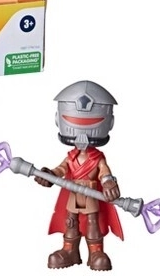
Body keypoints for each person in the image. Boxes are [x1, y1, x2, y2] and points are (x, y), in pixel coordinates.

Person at [35, 80, 123, 271]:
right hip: (73, 194)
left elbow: (104, 173)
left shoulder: (98, 158)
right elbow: (61, 170)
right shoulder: (70, 157)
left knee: (93, 222)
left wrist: (108, 183)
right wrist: (49, 175)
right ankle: (70, 251)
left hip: (91, 193)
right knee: (70, 221)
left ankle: (95, 252)